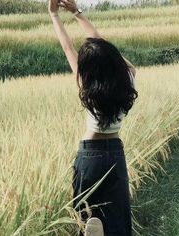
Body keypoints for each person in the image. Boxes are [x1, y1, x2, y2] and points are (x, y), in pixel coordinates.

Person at [48, 0, 138, 235]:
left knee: (86, 217)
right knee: (118, 221)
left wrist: (55, 15)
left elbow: (68, 49)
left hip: (89, 156)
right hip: (115, 154)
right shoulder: (128, 78)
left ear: (87, 70)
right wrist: (78, 13)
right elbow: (106, 49)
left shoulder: (87, 84)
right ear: (115, 60)